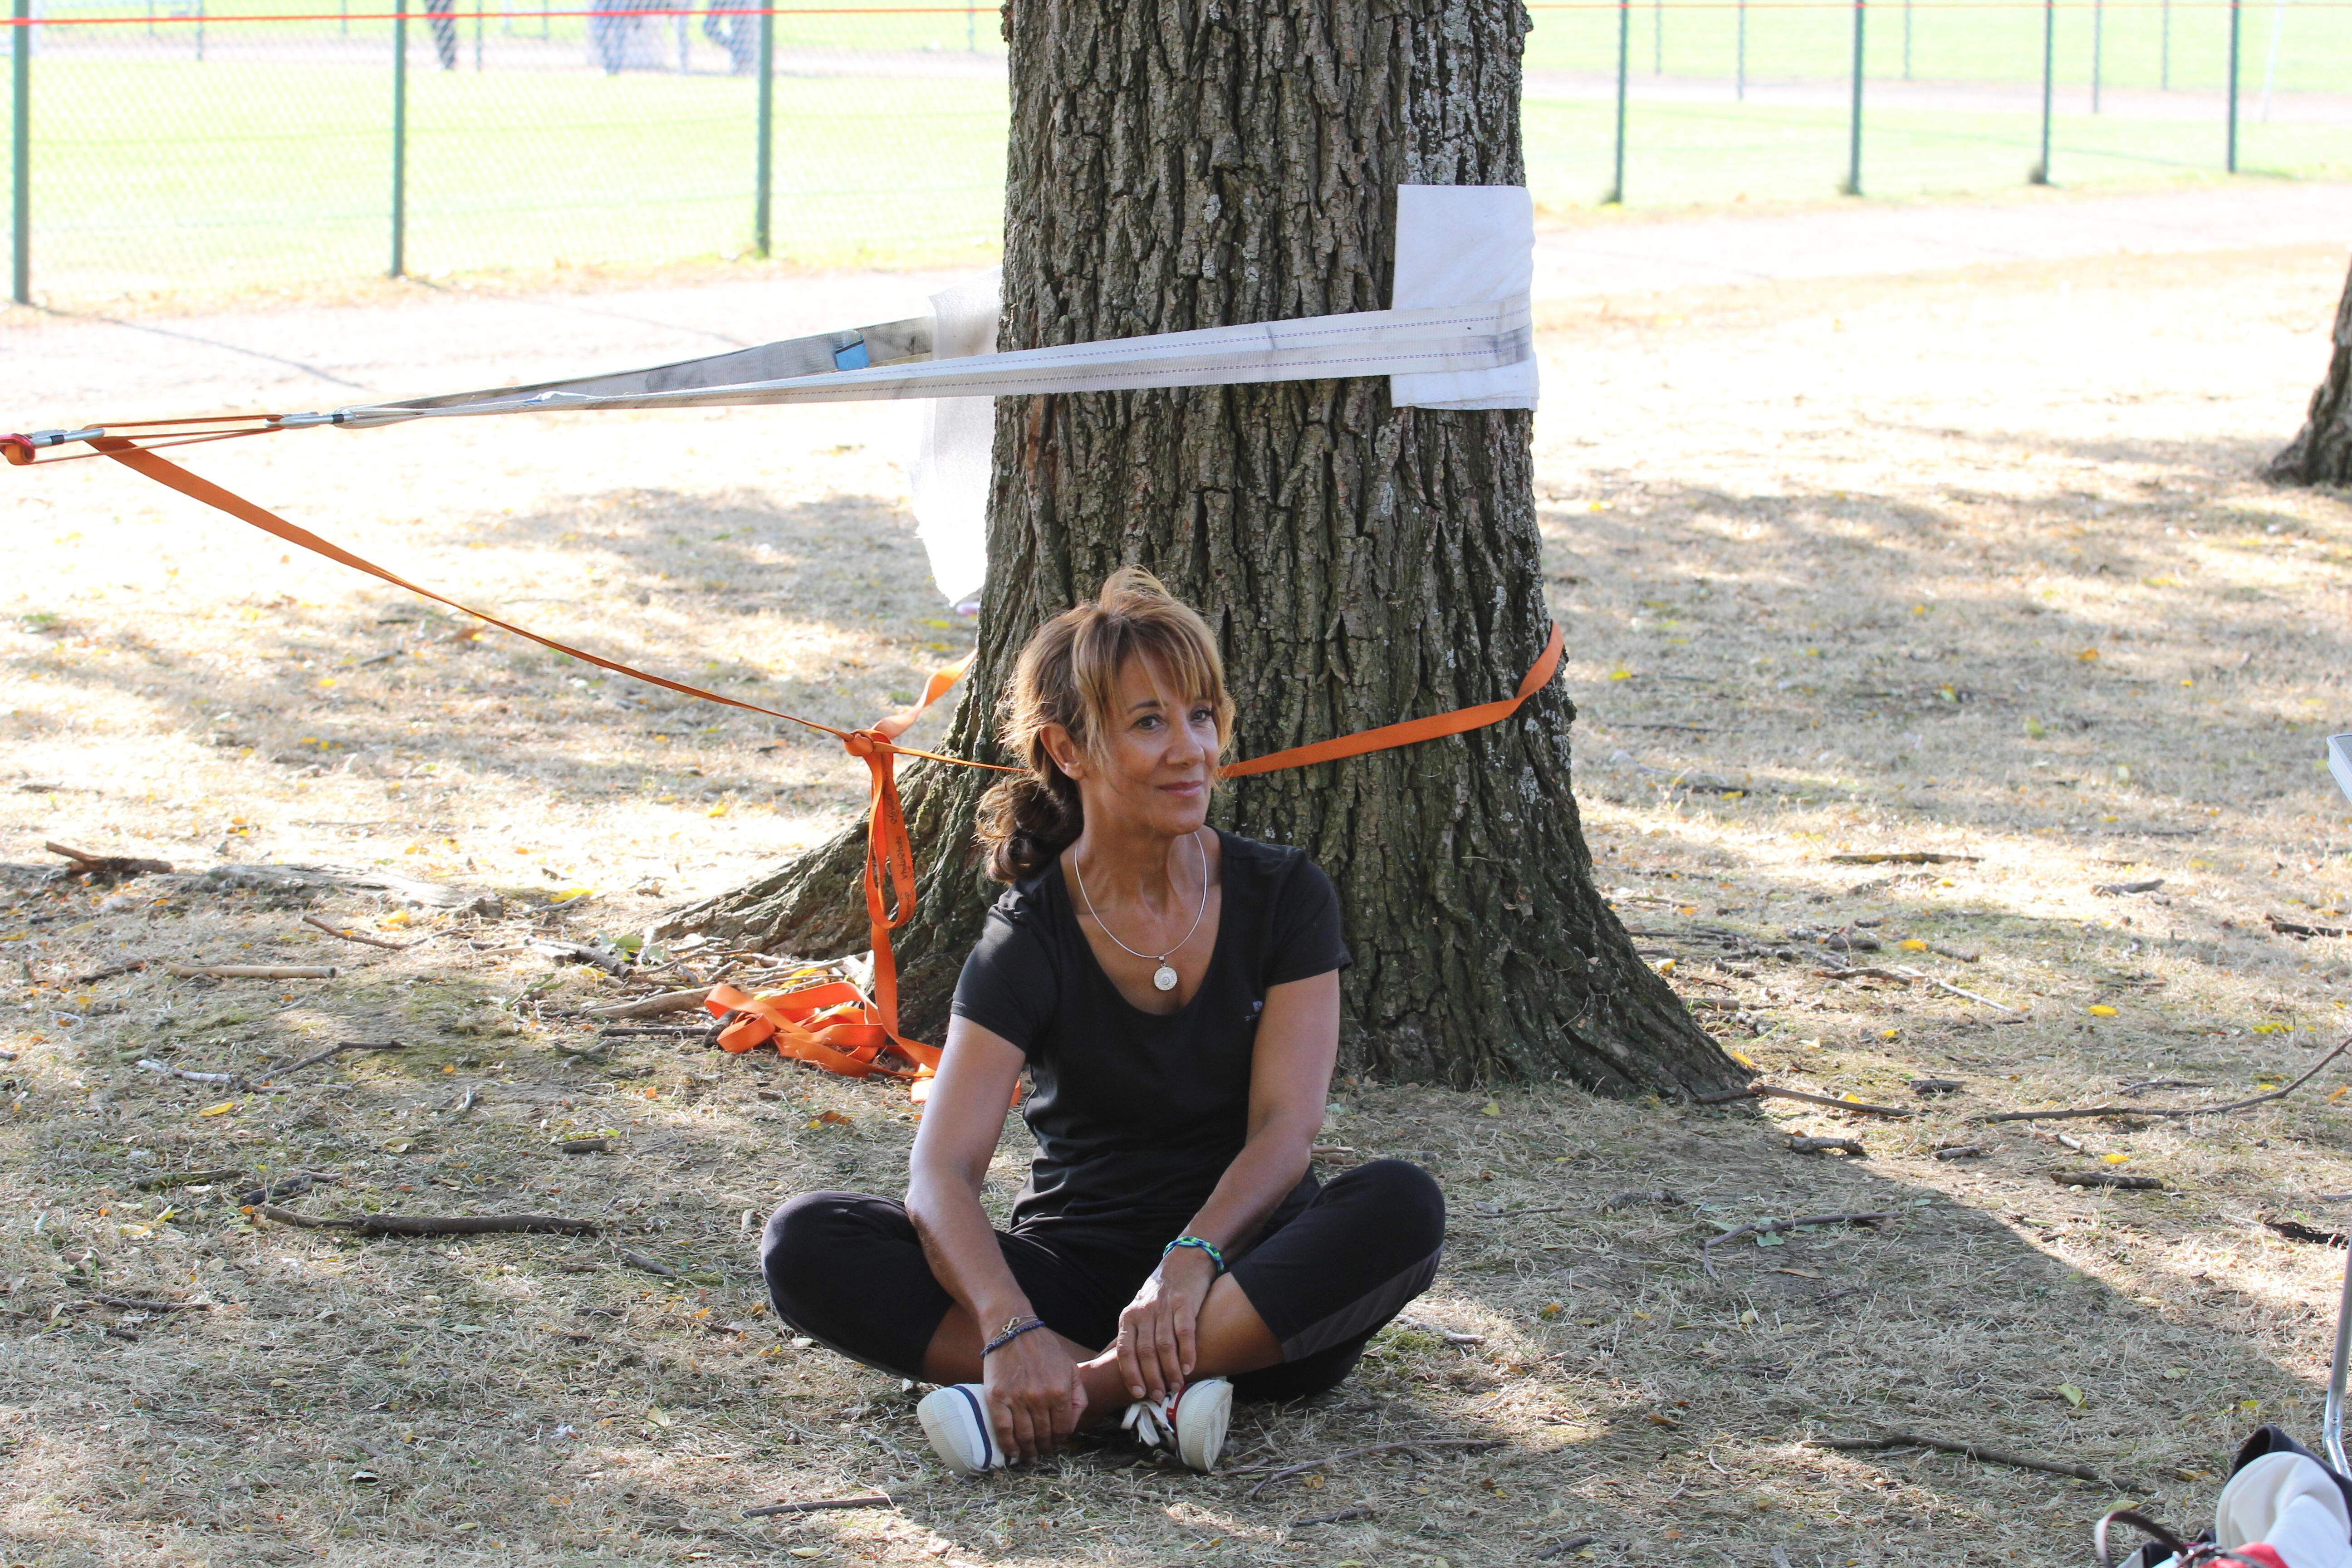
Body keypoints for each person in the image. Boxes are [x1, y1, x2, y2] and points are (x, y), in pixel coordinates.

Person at [759, 568, 1446, 1476]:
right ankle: (1140, 1396)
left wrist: (1188, 1264)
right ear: (1069, 749)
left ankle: (1078, 1397)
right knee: (807, 1242)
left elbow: (1287, 1129)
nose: (1192, 750)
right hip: (1073, 1276)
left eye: (1202, 716)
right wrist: (1008, 1325)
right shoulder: (1027, 935)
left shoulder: (1285, 895)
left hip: (1248, 1281)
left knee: (1401, 1205)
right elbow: (941, 1173)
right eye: (1150, 723)